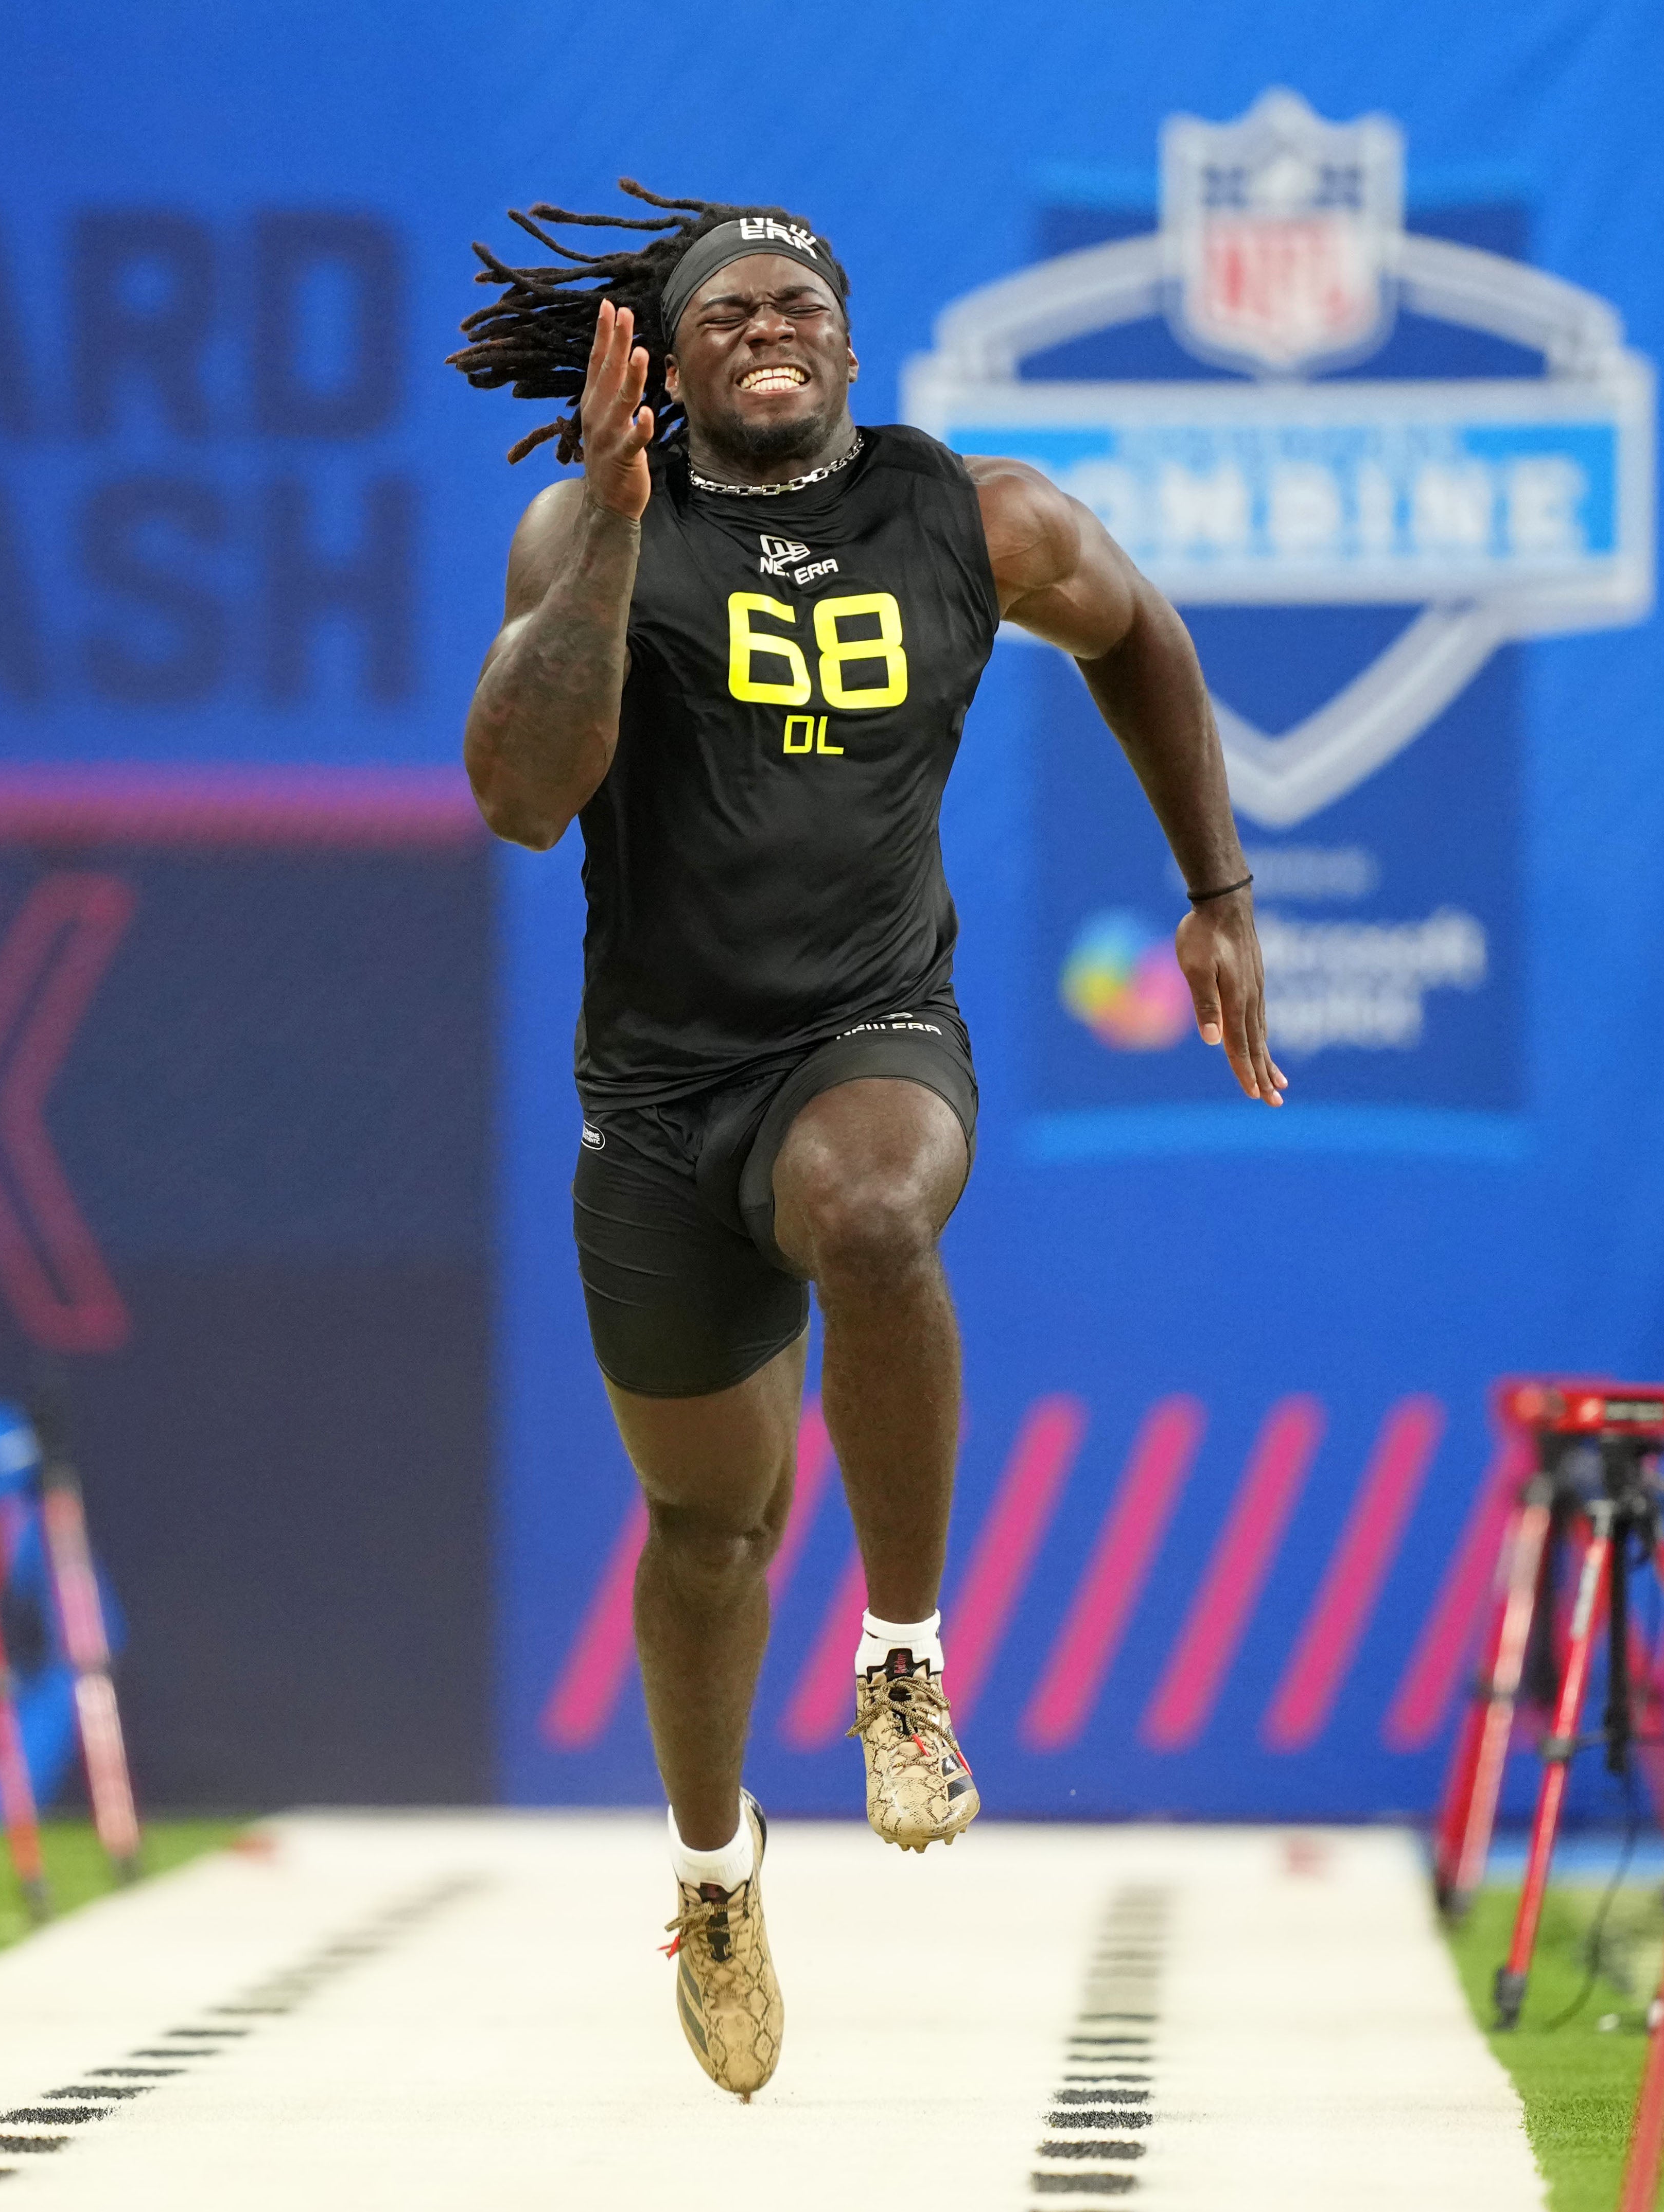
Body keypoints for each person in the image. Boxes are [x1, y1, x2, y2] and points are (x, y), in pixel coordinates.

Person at [448, 184, 1281, 2099]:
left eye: (798, 302)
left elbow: (1137, 630)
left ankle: (904, 1659)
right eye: (723, 308)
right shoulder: (588, 530)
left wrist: (1216, 885)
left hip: (868, 1029)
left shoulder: (971, 514)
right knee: (706, 1529)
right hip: (656, 1093)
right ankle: (717, 1873)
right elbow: (512, 796)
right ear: (658, 358)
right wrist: (604, 554)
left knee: (875, 1208)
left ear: (847, 340)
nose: (768, 325)